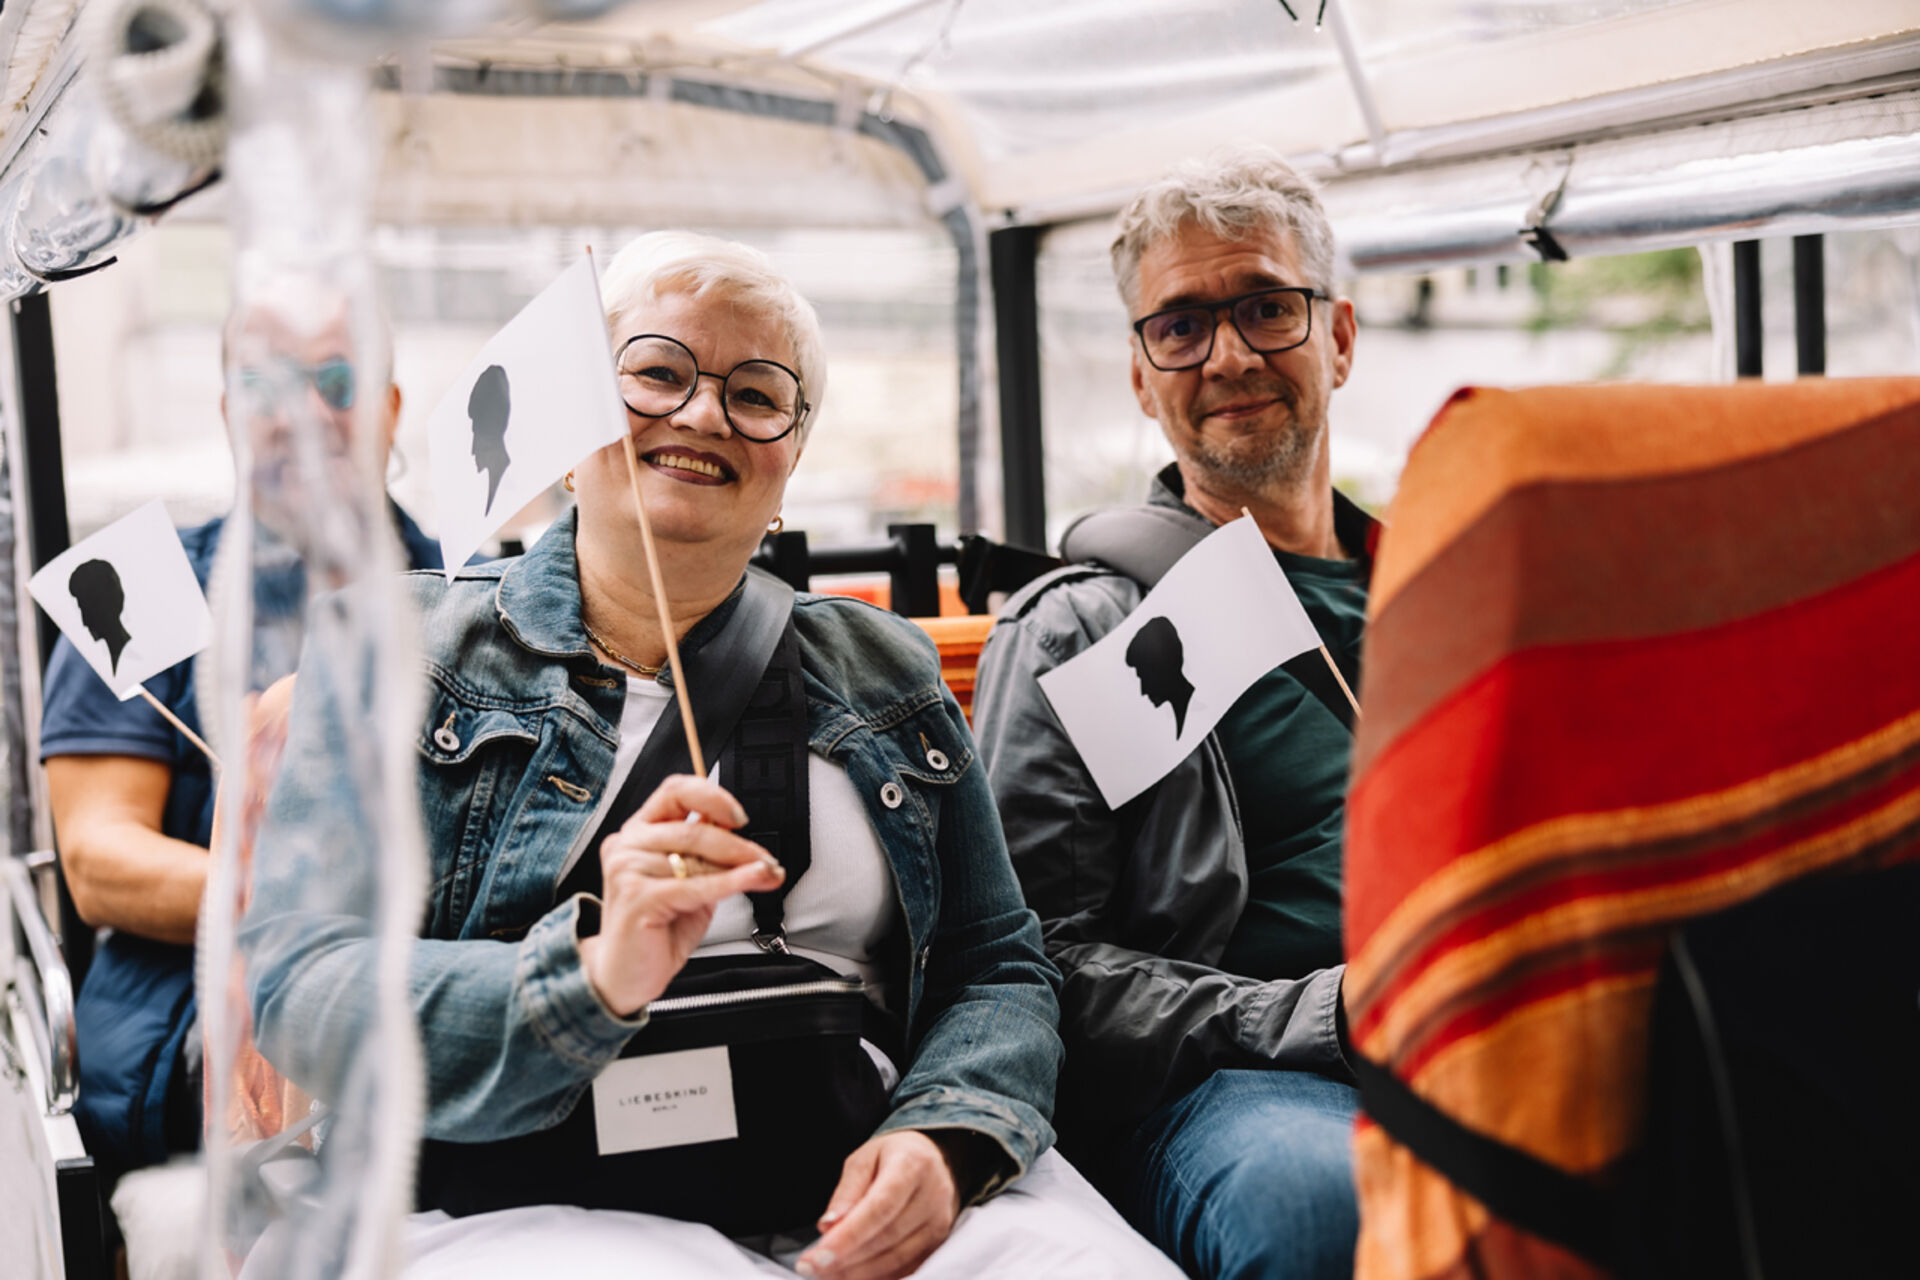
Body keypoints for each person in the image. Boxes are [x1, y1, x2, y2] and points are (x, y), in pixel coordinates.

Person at [241, 231, 1182, 1280]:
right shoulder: (394, 649)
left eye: (756, 393)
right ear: (573, 420)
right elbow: (299, 982)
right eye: (656, 373)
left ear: (788, 464)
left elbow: (996, 963)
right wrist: (589, 972)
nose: (702, 414)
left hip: (853, 1162)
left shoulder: (882, 668)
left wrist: (948, 1133)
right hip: (510, 1192)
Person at [971, 147, 1377, 1280]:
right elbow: (1031, 960)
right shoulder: (1089, 632)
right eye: (1182, 326)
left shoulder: (1456, 586)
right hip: (1245, 1081)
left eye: (1268, 308)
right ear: (1144, 379)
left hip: (1492, 1021)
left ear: (1340, 337)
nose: (1230, 355)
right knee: (1319, 1207)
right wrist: (1323, 1014)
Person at [40, 290, 443, 1183]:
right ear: (229, 412)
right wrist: (305, 904)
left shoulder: (473, 595)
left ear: (390, 407)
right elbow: (99, 862)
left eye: (336, 383)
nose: (302, 414)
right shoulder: (137, 592)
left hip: (430, 1001)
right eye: (266, 386)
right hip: (192, 1026)